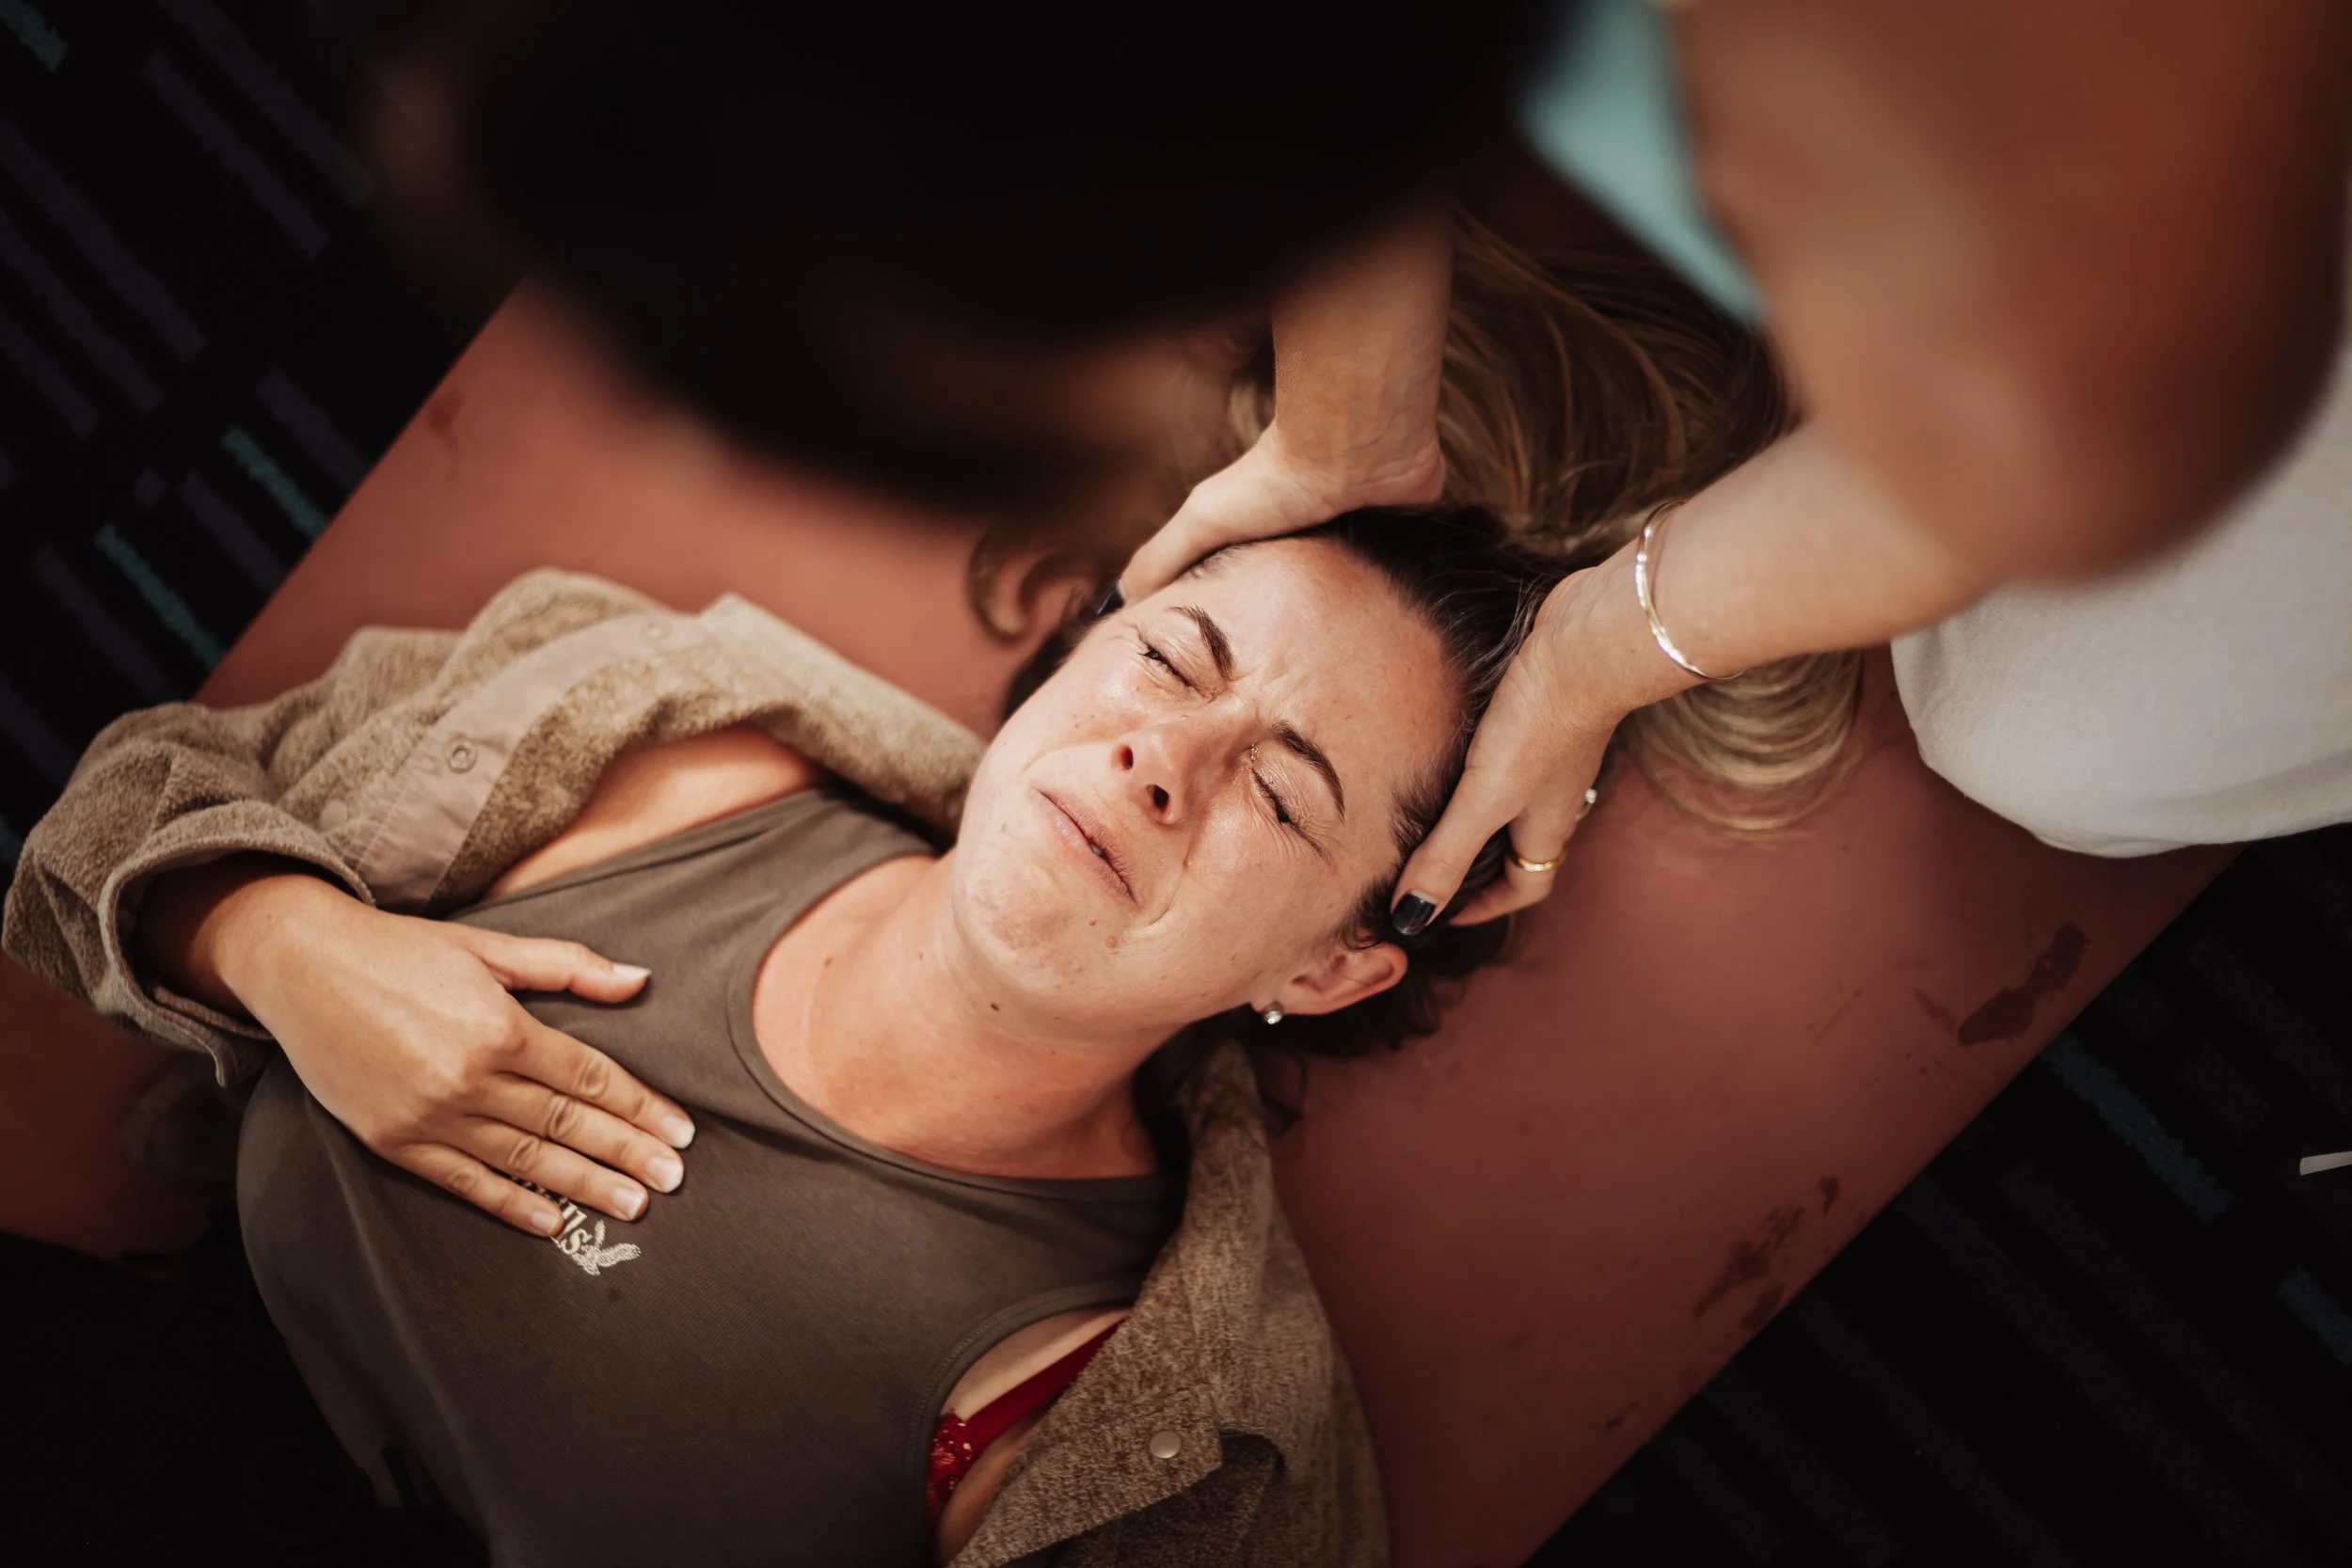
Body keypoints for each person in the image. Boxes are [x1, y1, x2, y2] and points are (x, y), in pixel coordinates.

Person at [5, 227, 1855, 1563]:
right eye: (1175, 654)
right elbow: (128, 800)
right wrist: (280, 940)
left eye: (1281, 789)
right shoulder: (665, 737)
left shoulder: (1157, 1425)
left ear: (1336, 954)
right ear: (1074, 649)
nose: (1165, 758)